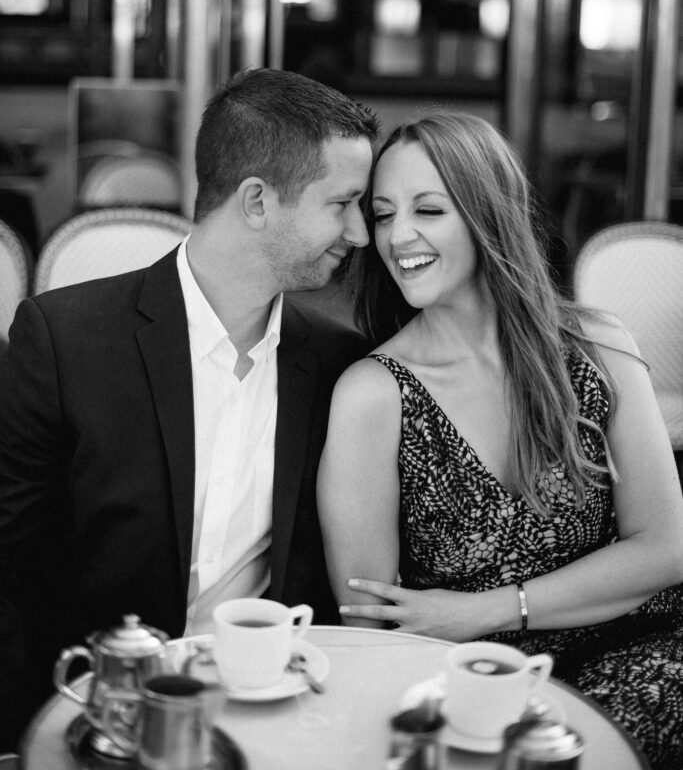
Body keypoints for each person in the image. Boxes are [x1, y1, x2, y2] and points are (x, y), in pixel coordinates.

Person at [0, 68, 379, 749]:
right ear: (257, 201)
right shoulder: (64, 340)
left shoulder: (338, 363)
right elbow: (10, 568)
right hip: (105, 715)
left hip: (275, 718)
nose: (359, 232)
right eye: (342, 203)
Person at [318, 112, 683, 770]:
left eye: (429, 210)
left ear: (488, 214)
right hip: (477, 692)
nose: (397, 236)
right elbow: (369, 624)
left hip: (649, 648)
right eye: (383, 214)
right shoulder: (373, 395)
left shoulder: (596, 347)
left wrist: (487, 610)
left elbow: (666, 548)